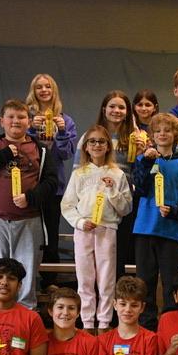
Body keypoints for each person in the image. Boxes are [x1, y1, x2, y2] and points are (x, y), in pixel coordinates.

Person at [0, 99, 60, 310]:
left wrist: (31, 197)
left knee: (26, 276)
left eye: (21, 117)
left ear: (29, 122)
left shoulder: (40, 150)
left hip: (29, 221)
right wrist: (4, 155)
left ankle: (25, 319)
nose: (16, 121)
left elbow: (52, 182)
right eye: (11, 117)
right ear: (2, 121)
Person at [61, 124, 133, 332]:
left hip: (107, 229)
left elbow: (126, 208)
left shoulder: (117, 174)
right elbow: (67, 205)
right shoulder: (79, 174)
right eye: (92, 141)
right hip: (84, 229)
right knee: (85, 278)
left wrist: (112, 190)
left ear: (108, 146)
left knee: (106, 278)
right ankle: (87, 322)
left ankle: (104, 322)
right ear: (85, 146)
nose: (97, 145)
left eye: (102, 141)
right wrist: (80, 222)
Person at [131, 112, 178, 329]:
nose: (162, 134)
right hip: (145, 228)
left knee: (170, 281)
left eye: (167, 130)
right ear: (152, 135)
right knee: (144, 281)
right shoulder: (143, 160)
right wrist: (147, 162)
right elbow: (139, 189)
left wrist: (174, 210)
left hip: (171, 232)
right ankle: (146, 325)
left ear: (175, 134)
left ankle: (169, 324)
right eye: (157, 131)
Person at [25, 74, 78, 288]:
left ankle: (49, 283)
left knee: (50, 236)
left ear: (54, 90)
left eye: (48, 86)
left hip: (53, 186)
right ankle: (26, 282)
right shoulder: (26, 117)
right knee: (27, 236)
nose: (44, 90)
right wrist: (31, 129)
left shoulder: (66, 120)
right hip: (28, 185)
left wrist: (62, 132)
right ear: (34, 91)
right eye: (39, 87)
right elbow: (20, 147)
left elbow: (67, 154)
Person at [91, 91, 142, 273]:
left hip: (122, 201)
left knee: (119, 253)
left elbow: (138, 175)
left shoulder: (135, 138)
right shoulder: (91, 135)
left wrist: (141, 155)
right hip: (97, 201)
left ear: (128, 112)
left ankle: (118, 290)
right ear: (104, 109)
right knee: (97, 254)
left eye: (122, 107)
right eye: (112, 106)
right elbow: (79, 170)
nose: (117, 110)